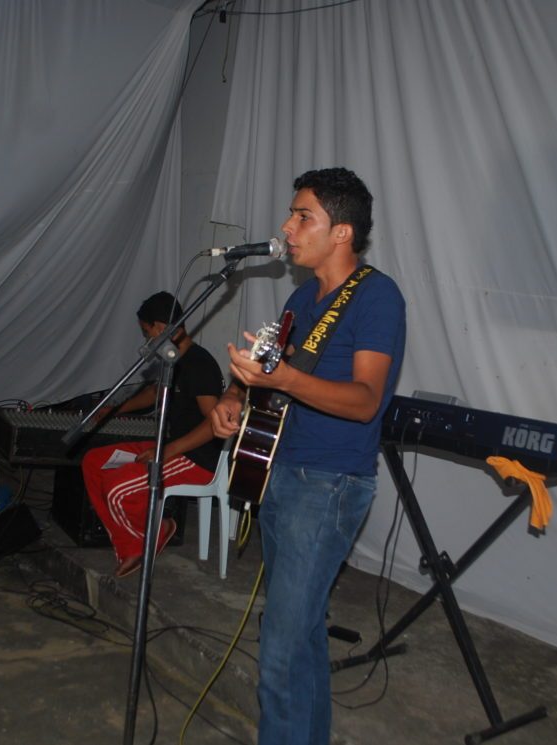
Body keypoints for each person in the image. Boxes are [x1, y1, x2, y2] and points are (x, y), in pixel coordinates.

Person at [209, 168, 406, 744]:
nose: (287, 228)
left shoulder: (377, 297)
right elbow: (269, 372)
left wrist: (285, 379)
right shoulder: (302, 297)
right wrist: (234, 394)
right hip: (280, 473)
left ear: (342, 232)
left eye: (303, 217)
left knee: (280, 649)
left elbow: (366, 401)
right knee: (301, 637)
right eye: (291, 215)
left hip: (328, 484)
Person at [81, 291, 224, 578]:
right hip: (173, 446)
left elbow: (214, 424)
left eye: (147, 332)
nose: (147, 339)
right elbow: (155, 393)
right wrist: (115, 410)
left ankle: (155, 532)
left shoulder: (200, 364)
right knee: (93, 462)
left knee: (117, 489)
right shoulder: (173, 360)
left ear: (160, 327)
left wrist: (166, 452)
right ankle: (131, 542)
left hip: (197, 458)